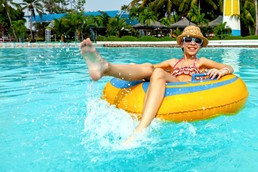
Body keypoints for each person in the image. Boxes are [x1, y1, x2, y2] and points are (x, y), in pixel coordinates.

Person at [80, 25, 233, 144]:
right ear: (182, 44)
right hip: (171, 80)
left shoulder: (202, 62)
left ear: (200, 45)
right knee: (149, 67)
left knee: (158, 73)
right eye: (188, 39)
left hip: (183, 86)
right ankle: (106, 68)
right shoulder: (173, 62)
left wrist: (222, 71)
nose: (193, 43)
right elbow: (150, 68)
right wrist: (135, 66)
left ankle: (141, 129)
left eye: (197, 41)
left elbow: (229, 68)